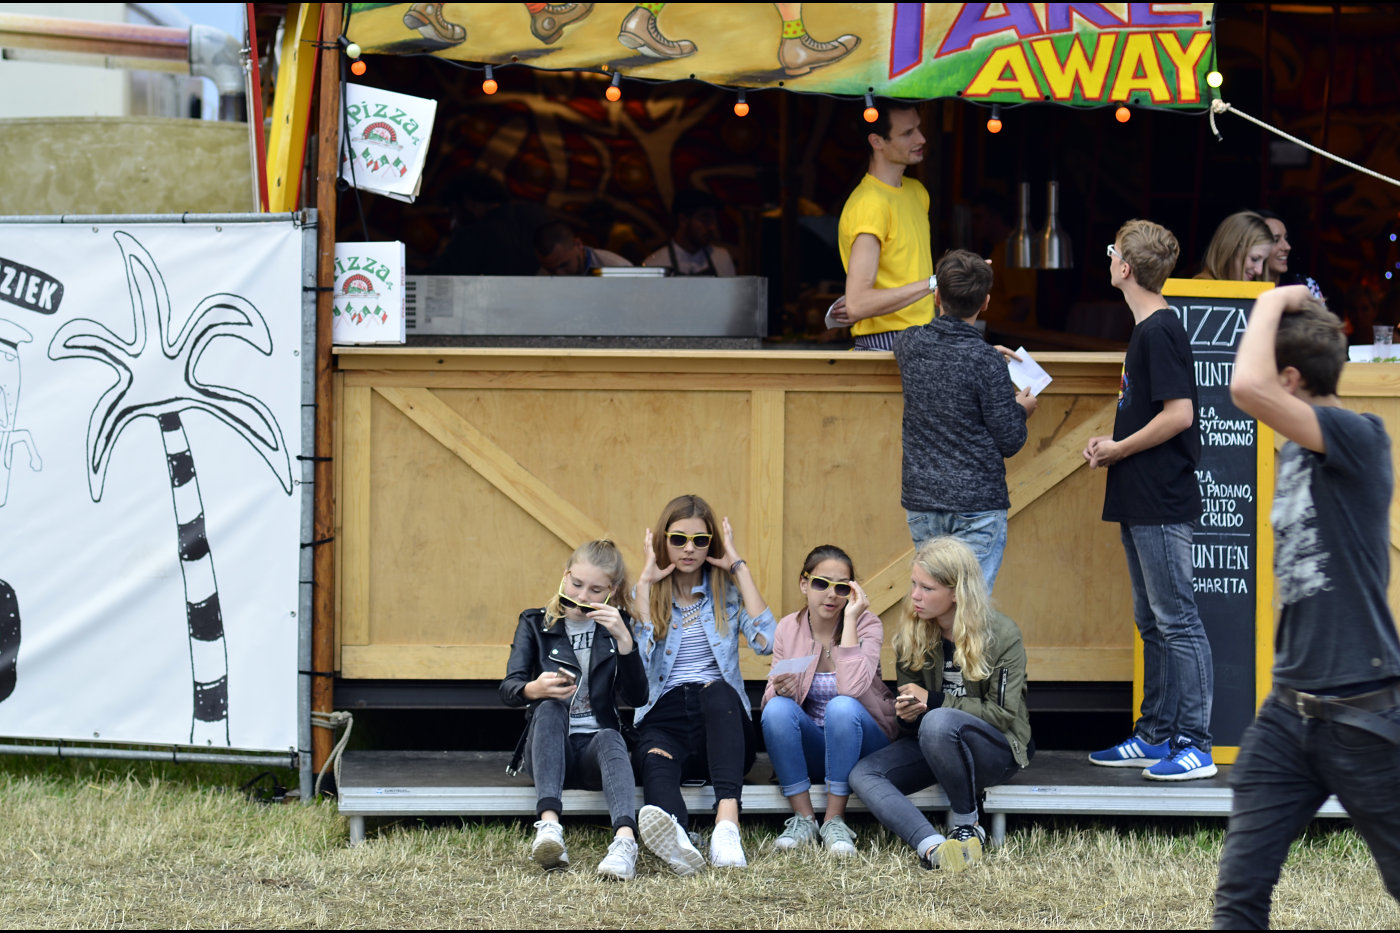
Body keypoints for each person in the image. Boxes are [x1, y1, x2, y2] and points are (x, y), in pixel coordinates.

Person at [1212, 287, 1400, 927]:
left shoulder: (1359, 436)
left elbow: (1244, 389)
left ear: (1289, 378)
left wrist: (1269, 300)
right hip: (1288, 717)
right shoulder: (1298, 451)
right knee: (1240, 895)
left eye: (1275, 379)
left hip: (1365, 714)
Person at [1085, 220, 1216, 780]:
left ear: (1124, 268)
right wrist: (1113, 446)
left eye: (1113, 250)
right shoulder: (1148, 328)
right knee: (1154, 622)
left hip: (1161, 496)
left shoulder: (1158, 329)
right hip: (1143, 495)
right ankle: (1156, 735)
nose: (1110, 257)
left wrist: (1119, 448)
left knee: (1177, 620)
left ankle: (1196, 743)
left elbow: (1179, 414)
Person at [848, 537, 1032, 873]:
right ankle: (933, 846)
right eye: (914, 584)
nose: (915, 596)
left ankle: (967, 823)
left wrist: (932, 702)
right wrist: (905, 717)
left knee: (938, 721)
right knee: (864, 773)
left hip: (996, 750)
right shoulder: (911, 635)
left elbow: (1003, 715)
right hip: (934, 743)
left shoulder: (1002, 634)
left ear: (957, 592)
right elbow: (915, 721)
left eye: (927, 588)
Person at [631, 495, 775, 875]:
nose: (689, 549)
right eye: (678, 539)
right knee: (653, 760)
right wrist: (645, 584)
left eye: (701, 540)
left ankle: (726, 828)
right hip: (666, 717)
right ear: (663, 541)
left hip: (723, 723)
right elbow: (636, 667)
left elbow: (769, 643)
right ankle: (679, 837)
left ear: (713, 542)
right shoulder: (645, 596)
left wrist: (739, 568)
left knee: (718, 691)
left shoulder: (727, 594)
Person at [498, 539, 648, 880]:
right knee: (550, 709)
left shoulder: (617, 626)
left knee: (612, 735)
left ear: (612, 590)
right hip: (551, 749)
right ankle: (549, 828)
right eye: (577, 584)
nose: (583, 597)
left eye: (596, 590)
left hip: (595, 751)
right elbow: (508, 688)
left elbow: (637, 697)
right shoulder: (536, 623)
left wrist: (625, 642)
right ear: (566, 577)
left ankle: (625, 843)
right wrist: (533, 689)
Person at [894, 249, 1037, 592]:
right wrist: (1022, 406)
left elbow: (934, 348)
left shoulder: (909, 343)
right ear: (986, 302)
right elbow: (1010, 439)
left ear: (937, 295)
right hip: (978, 505)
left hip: (924, 501)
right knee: (969, 614)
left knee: (929, 607)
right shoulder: (985, 363)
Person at [760, 545, 896, 856]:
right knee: (778, 709)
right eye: (821, 583)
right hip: (815, 745)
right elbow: (769, 705)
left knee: (841, 707)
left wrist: (850, 621)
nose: (831, 594)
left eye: (842, 587)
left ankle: (834, 819)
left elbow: (851, 690)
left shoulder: (868, 625)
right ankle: (804, 819)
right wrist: (781, 690)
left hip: (863, 743)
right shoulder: (787, 628)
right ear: (804, 583)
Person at [830, 99, 936, 350]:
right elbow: (858, 304)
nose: (921, 139)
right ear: (877, 142)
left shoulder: (917, 192)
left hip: (923, 336)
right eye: (908, 133)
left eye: (918, 129)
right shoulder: (869, 204)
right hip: (887, 345)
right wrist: (935, 283)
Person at [642, 189, 737, 276]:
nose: (712, 227)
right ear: (683, 220)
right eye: (705, 219)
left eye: (713, 220)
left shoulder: (721, 258)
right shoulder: (656, 265)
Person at [1254, 209, 1325, 299]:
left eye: (1286, 238)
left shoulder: (1305, 286)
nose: (1287, 247)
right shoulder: (1240, 287)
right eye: (1276, 240)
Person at [1195, 211, 1274, 282]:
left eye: (1264, 262)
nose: (1259, 271)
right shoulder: (1202, 288)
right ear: (1230, 250)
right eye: (1254, 259)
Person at [534, 220, 633, 276]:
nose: (559, 275)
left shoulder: (618, 270)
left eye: (564, 265)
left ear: (578, 244)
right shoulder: (544, 274)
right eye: (551, 270)